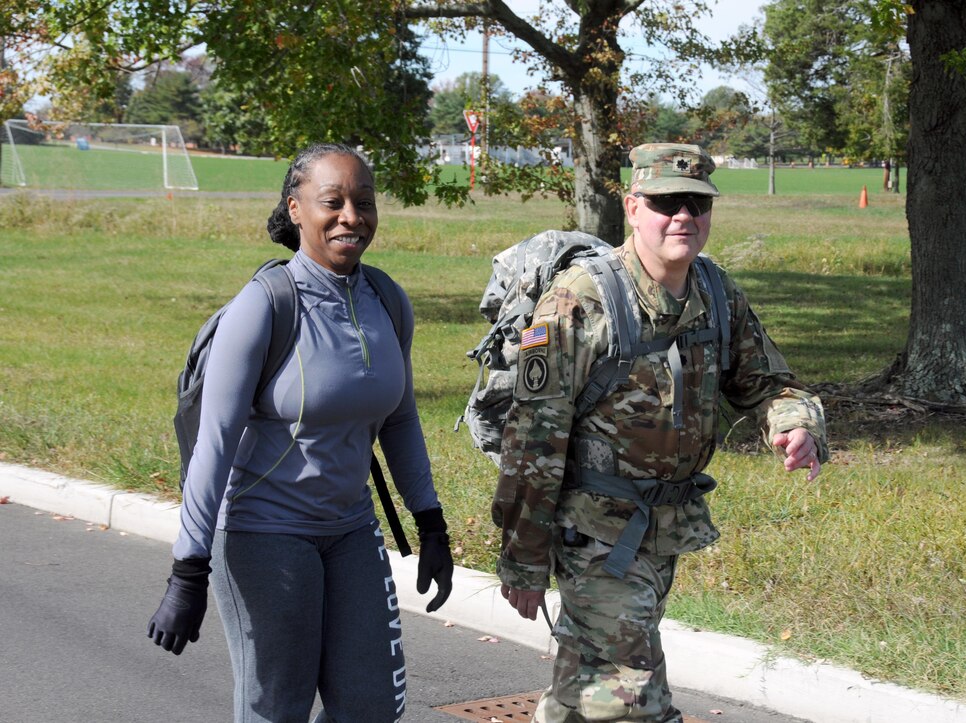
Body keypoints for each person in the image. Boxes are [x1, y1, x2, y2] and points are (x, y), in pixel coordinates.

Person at [493, 143, 829, 722]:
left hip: (664, 529)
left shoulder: (717, 294)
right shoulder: (582, 299)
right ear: (632, 206)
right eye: (666, 202)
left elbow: (771, 384)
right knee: (629, 697)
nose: (684, 217)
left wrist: (797, 424)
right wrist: (524, 558)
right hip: (594, 531)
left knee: (584, 694)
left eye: (697, 205)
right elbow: (534, 435)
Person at [147, 142, 453, 723]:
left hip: (351, 530)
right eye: (331, 202)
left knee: (370, 707)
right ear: (295, 209)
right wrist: (187, 570)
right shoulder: (263, 307)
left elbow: (401, 418)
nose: (351, 217)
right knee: (276, 709)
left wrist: (431, 522)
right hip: (266, 532)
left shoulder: (387, 300)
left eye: (363, 203)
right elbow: (214, 444)